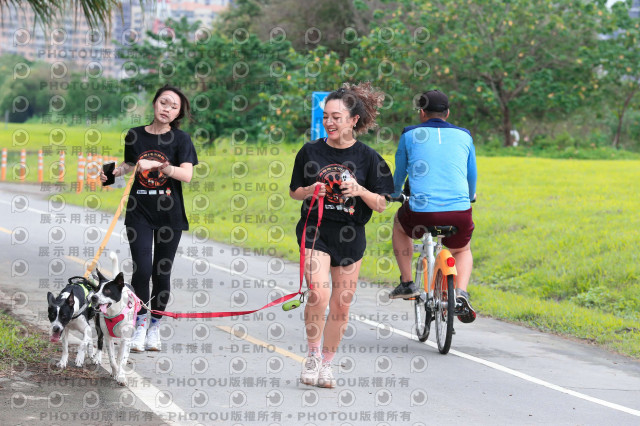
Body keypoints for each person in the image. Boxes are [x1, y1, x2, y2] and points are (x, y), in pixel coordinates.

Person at [289, 82, 394, 388]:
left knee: (341, 305)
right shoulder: (310, 151)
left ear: (353, 120)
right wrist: (311, 190)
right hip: (315, 231)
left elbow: (382, 204)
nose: (329, 122)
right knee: (318, 294)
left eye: (336, 117)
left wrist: (360, 190)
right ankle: (312, 355)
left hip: (350, 236)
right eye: (326, 117)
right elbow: (295, 192)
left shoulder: (369, 158)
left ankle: (327, 364)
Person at [100, 84, 198, 351]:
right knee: (142, 271)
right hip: (139, 212)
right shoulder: (135, 135)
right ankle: (140, 323)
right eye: (164, 102)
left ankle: (155, 326)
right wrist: (112, 173)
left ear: (178, 114)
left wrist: (160, 166)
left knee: (161, 273)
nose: (167, 109)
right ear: (155, 103)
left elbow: (187, 175)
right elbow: (131, 164)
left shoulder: (181, 139)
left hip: (170, 216)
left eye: (174, 107)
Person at [389, 90, 477, 324]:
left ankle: (407, 283)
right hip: (459, 212)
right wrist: (470, 196)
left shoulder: (409, 134)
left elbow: (400, 172)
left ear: (422, 113)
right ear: (448, 113)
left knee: (399, 225)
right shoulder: (465, 135)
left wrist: (394, 194)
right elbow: (471, 174)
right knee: (462, 250)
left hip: (422, 213)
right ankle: (461, 293)